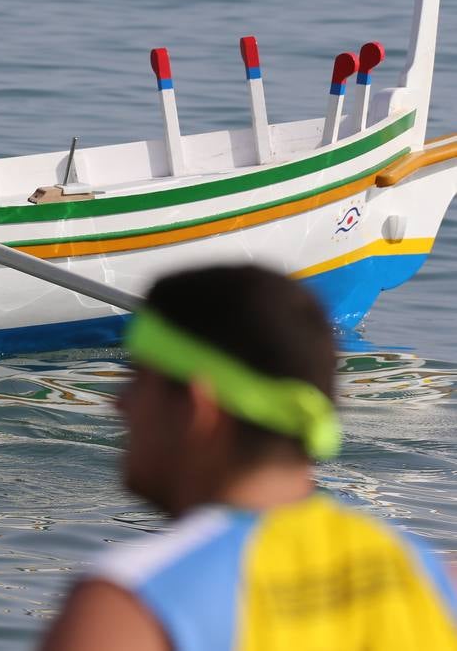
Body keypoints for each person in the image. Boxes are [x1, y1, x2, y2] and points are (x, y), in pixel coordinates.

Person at [41, 265, 457, 651]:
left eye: (138, 381)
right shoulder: (423, 579)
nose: (120, 405)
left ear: (196, 406)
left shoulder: (135, 602)